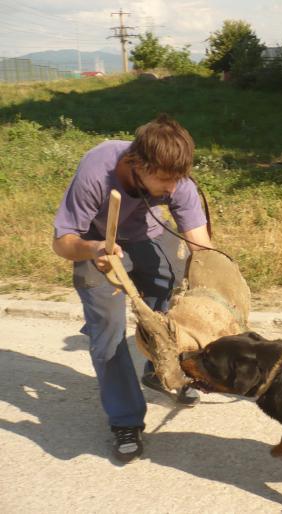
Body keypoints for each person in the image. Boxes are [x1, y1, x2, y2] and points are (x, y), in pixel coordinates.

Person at [52, 114, 213, 463]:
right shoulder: (97, 170)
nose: (172, 188)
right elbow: (62, 242)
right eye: (164, 180)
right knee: (107, 331)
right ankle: (125, 419)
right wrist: (93, 250)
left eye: (177, 179)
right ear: (136, 163)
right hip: (96, 245)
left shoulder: (177, 181)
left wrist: (216, 287)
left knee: (169, 293)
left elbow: (202, 248)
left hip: (147, 236)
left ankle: (157, 371)